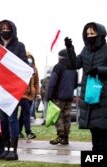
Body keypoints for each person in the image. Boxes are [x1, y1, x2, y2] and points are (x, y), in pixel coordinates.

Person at [64, 22, 107, 151]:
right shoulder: (85, 50)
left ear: (99, 34)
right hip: (90, 96)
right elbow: (74, 64)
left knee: (103, 135)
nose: (90, 36)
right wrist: (70, 48)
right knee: (95, 134)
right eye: (87, 33)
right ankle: (95, 159)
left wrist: (99, 70)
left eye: (92, 33)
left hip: (104, 97)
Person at [0, 19, 28, 161]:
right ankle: (6, 148)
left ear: (12, 30)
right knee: (3, 120)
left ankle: (14, 150)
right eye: (3, 27)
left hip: (12, 89)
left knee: (12, 119)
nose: (5, 30)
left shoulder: (19, 46)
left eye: (8, 27)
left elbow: (24, 65)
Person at [47, 49, 78, 145]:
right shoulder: (74, 68)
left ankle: (60, 136)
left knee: (58, 117)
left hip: (58, 97)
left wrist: (49, 96)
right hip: (69, 97)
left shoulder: (58, 67)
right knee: (67, 117)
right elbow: (75, 84)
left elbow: (52, 82)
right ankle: (66, 138)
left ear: (60, 57)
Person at [18, 52, 40, 141]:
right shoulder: (20, 68)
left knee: (23, 114)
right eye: (27, 57)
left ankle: (19, 132)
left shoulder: (34, 69)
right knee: (27, 112)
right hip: (23, 95)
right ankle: (28, 132)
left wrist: (37, 93)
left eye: (30, 58)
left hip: (31, 95)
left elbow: (37, 82)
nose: (29, 59)